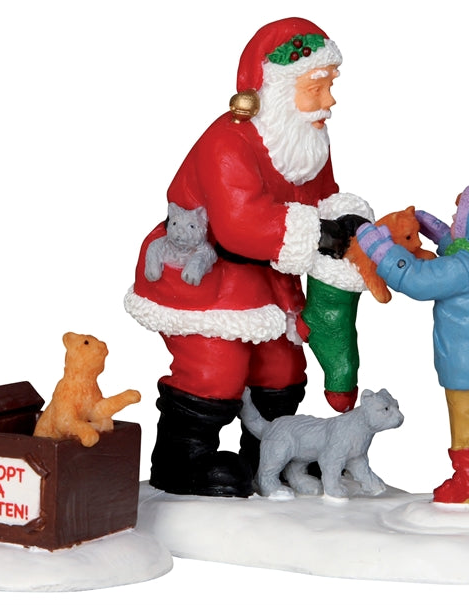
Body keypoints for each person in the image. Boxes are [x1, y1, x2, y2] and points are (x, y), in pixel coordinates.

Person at [125, 17, 373, 497]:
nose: (329, 101)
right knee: (214, 366)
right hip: (205, 273)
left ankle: (267, 459)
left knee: (281, 368)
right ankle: (182, 459)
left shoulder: (305, 141)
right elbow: (240, 224)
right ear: (276, 91)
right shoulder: (227, 142)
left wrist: (347, 225)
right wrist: (324, 235)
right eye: (315, 88)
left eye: (330, 86)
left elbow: (322, 197)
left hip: (269, 277)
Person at [356, 183, 469, 503]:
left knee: (468, 421)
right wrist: (441, 234)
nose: (454, 216)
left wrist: (380, 249)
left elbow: (418, 279)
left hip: (467, 369)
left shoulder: (462, 267)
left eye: (460, 211)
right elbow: (464, 255)